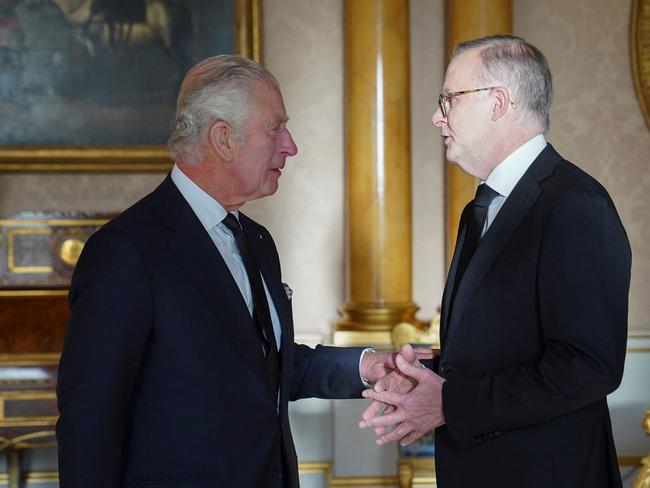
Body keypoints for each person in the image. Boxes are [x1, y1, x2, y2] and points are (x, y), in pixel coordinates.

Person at [56, 55, 428, 488]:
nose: (290, 145)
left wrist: (368, 366)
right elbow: (89, 419)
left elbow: (263, 366)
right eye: (275, 128)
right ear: (223, 138)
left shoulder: (257, 240)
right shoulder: (126, 251)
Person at [360, 35, 631, 487]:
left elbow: (588, 366)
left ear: (498, 102)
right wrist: (426, 380)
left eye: (448, 99)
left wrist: (450, 403)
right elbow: (505, 345)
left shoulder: (574, 204)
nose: (436, 117)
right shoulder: (481, 208)